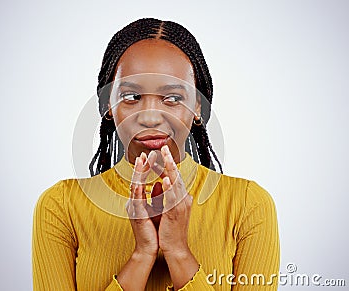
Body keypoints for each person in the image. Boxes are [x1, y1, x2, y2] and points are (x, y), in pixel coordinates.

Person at [32, 18, 280, 290]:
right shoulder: (61, 207)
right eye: (131, 96)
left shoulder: (248, 206)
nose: (150, 117)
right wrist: (142, 255)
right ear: (108, 106)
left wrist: (178, 251)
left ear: (198, 106)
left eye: (173, 98)